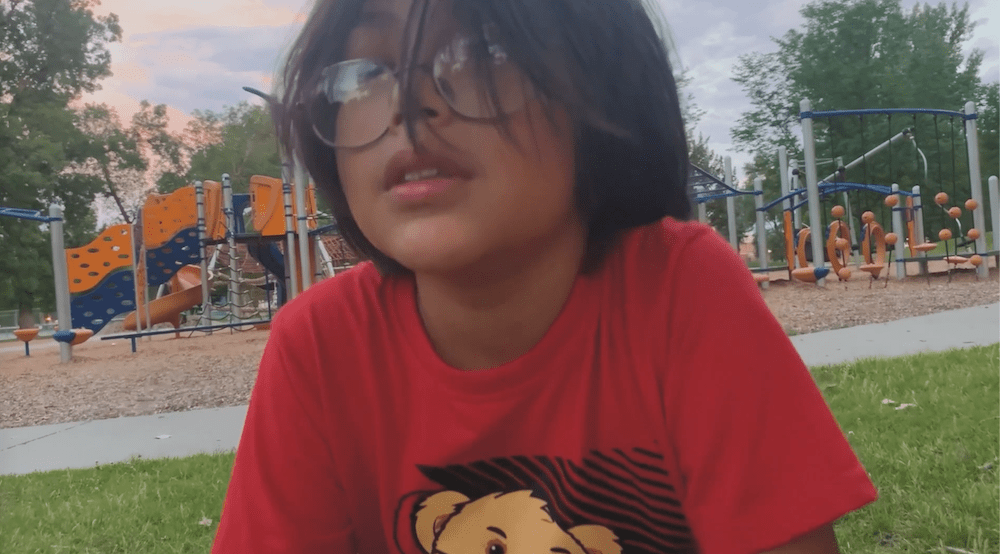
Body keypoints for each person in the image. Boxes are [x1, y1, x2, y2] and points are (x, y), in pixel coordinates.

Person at [212, 0, 878, 552]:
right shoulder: (322, 346)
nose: (407, 103)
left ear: (602, 89)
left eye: (480, 50)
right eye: (364, 71)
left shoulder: (680, 290)